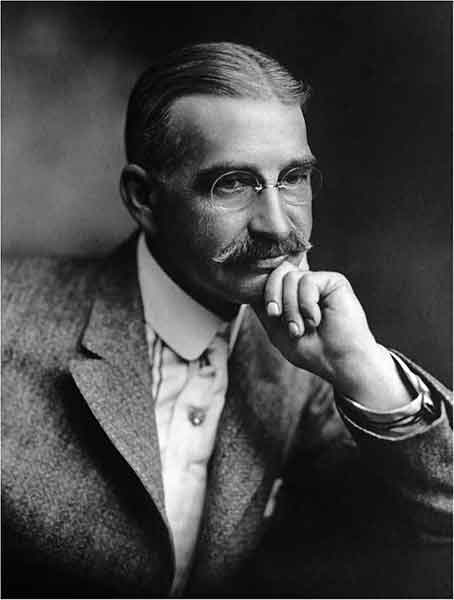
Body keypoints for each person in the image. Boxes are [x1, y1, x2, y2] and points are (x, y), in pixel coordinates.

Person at [2, 42, 452, 599]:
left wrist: (362, 367)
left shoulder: (305, 358)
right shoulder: (10, 318)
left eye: (293, 177)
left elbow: (441, 514)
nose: (276, 225)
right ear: (143, 198)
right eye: (233, 184)